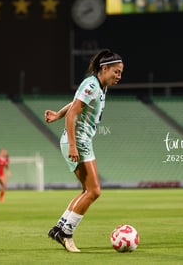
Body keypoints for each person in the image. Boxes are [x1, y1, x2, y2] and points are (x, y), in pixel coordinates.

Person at [44, 49, 124, 252]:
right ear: (104, 69)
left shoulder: (98, 86)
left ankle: (59, 228)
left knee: (88, 191)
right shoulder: (91, 85)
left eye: (121, 73)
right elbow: (73, 114)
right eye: (116, 71)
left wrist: (57, 115)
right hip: (78, 142)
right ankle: (66, 234)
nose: (119, 76)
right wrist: (72, 144)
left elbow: (74, 105)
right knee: (94, 191)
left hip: (82, 141)